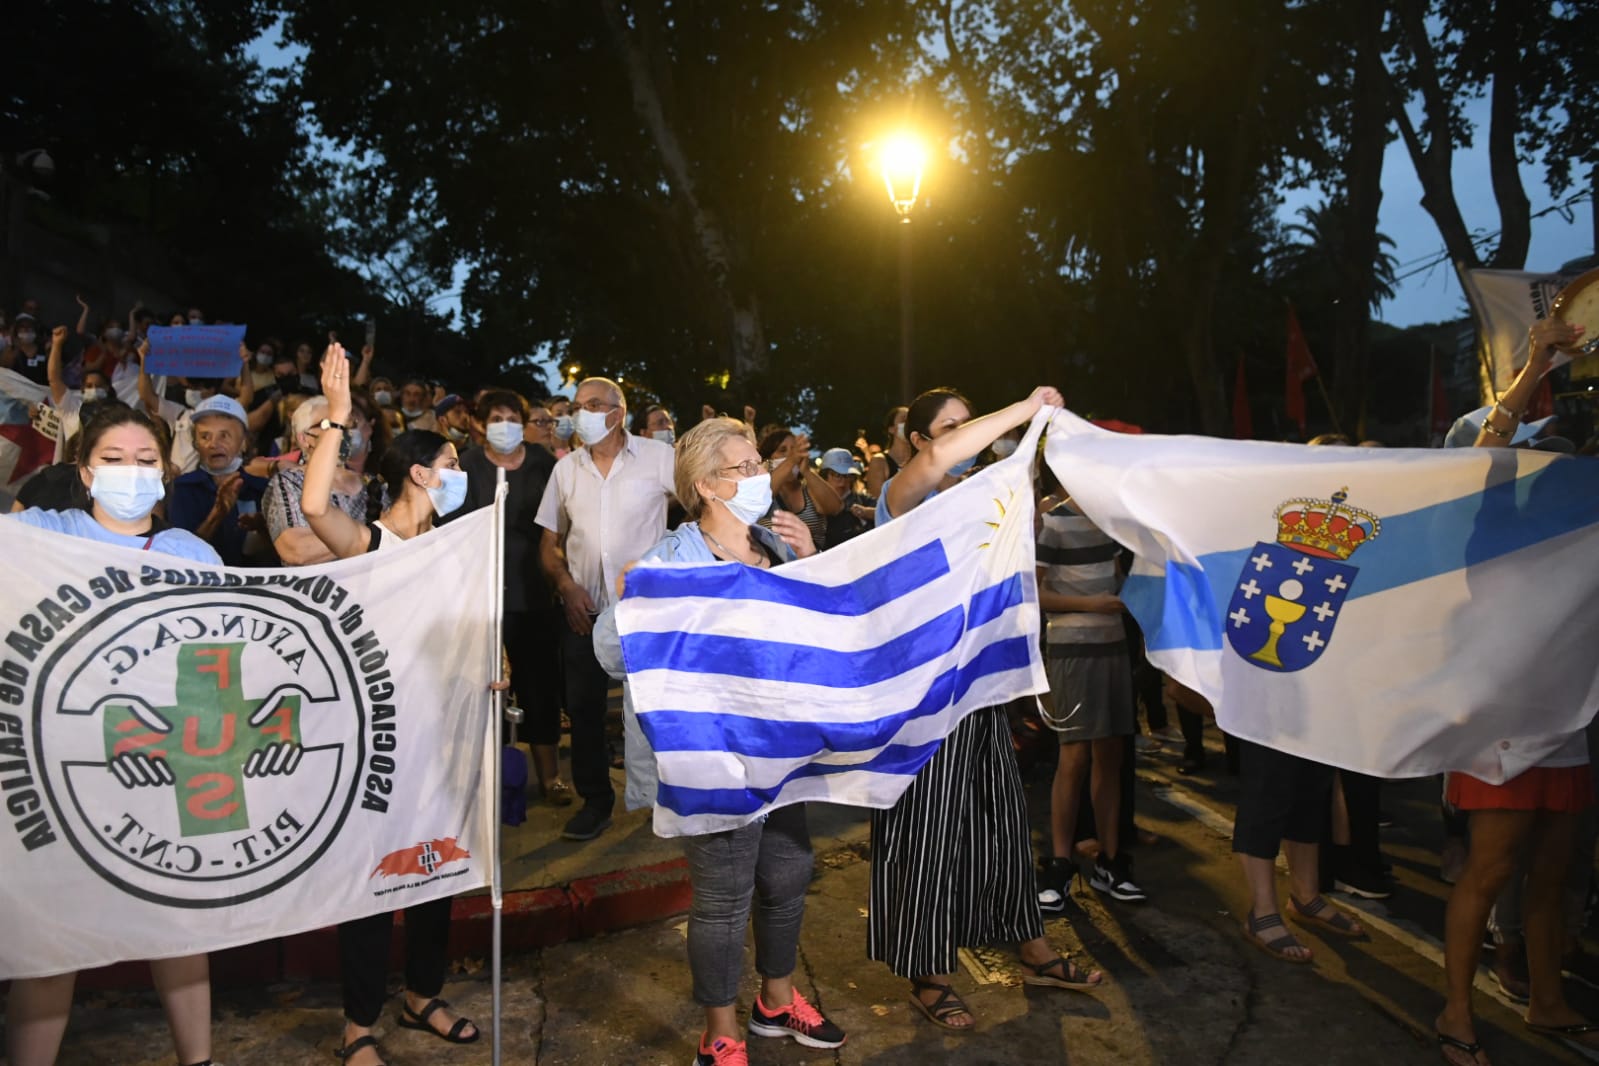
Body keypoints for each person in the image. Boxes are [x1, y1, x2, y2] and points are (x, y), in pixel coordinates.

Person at [592, 418, 845, 1066]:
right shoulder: (668, 561)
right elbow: (610, 655)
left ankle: (775, 1002)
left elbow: (827, 634)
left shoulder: (782, 542)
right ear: (705, 486)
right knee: (725, 897)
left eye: (758, 461)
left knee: (789, 874)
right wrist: (633, 606)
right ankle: (720, 1030)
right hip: (713, 761)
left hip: (782, 750)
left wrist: (812, 563)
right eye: (741, 466)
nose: (759, 474)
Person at [871, 385, 1102, 1032]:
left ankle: (1031, 947)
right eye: (951, 428)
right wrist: (1025, 407)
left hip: (979, 689)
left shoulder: (980, 501)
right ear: (920, 440)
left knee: (1000, 825)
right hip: (921, 698)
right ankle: (928, 973)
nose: (967, 437)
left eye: (969, 426)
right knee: (925, 834)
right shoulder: (900, 496)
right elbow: (939, 460)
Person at [4, 404, 220, 1066]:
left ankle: (199, 1060)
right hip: (57, 770)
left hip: (161, 766)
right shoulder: (39, 533)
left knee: (177, 929)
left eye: (146, 461)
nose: (131, 473)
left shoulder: (193, 554)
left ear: (168, 471)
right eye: (113, 460)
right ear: (84, 472)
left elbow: (219, 666)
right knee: (48, 942)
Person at [300, 346, 479, 1066]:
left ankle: (423, 994)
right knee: (374, 877)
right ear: (417, 471)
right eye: (451, 462)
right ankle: (357, 1021)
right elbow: (313, 506)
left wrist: (488, 671)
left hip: (445, 734)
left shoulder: (463, 547)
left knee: (437, 869)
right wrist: (338, 419)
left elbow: (472, 637)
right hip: (377, 740)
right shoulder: (370, 543)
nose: (461, 474)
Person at [1434, 316, 1598, 1066]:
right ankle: (1456, 1011)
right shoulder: (1478, 477)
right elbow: (1480, 461)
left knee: (1554, 870)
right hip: (1496, 706)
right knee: (1491, 866)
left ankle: (1545, 997)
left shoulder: (1574, 488)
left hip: (1564, 704)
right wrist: (1534, 364)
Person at [536, 377, 676, 841]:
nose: (582, 414)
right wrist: (565, 585)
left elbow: (701, 509)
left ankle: (667, 798)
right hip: (585, 611)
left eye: (593, 404)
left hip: (647, 611)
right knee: (584, 710)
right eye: (578, 406)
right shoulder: (566, 470)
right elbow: (549, 542)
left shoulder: (658, 459)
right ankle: (596, 801)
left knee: (657, 706)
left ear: (618, 412)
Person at [453, 389, 570, 803]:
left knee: (540, 688)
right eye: (496, 418)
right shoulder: (465, 466)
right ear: (480, 425)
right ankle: (488, 781)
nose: (505, 425)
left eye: (512, 418)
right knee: (484, 690)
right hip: (480, 597)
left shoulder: (543, 464)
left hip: (534, 592)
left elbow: (560, 524)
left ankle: (550, 776)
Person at [1035, 470, 1146, 905]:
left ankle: (1110, 860)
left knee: (1111, 755)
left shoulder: (1112, 522)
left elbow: (1117, 577)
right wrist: (1091, 604)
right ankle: (1060, 866)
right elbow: (1035, 592)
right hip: (1071, 651)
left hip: (1113, 646)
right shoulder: (1055, 521)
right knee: (1074, 755)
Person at [263, 396, 380, 565]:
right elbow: (298, 550)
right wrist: (374, 534)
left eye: (347, 424)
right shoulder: (289, 482)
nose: (342, 431)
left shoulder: (371, 484)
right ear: (304, 438)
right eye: (330, 425)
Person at [166, 395, 271, 566]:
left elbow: (278, 559)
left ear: (243, 443)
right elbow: (181, 556)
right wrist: (217, 515)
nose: (213, 444)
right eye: (205, 436)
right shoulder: (182, 489)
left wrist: (263, 529)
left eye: (224, 436)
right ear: (196, 444)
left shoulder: (263, 489)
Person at [757, 427, 840, 551]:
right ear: (768, 460)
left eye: (794, 450)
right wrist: (791, 461)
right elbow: (760, 498)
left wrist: (807, 471)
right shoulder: (761, 489)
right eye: (782, 450)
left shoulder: (809, 487)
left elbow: (835, 508)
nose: (791, 455)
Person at [817, 447, 874, 547]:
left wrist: (866, 512)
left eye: (847, 475)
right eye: (836, 475)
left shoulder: (864, 500)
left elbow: (886, 512)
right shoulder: (815, 504)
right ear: (825, 476)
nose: (842, 480)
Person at [865, 405, 912, 499]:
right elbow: (878, 499)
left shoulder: (920, 458)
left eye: (911, 420)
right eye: (904, 420)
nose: (909, 424)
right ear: (891, 429)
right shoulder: (879, 461)